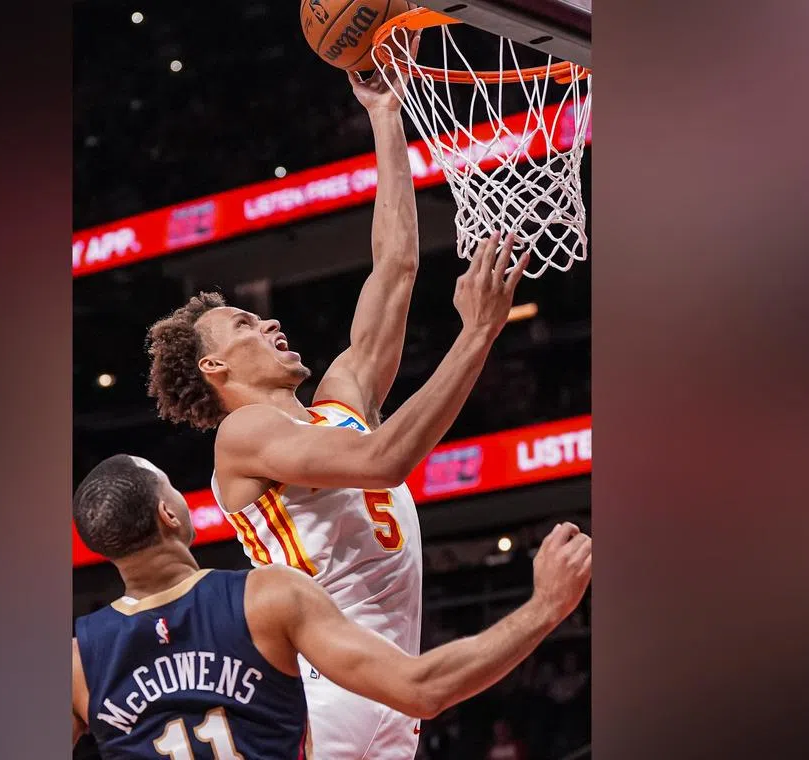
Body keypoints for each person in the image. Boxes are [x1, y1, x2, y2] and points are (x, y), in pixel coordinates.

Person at [146, 62, 533, 758]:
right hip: (322, 690)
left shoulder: (341, 398)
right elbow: (384, 464)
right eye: (242, 325)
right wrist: (477, 335)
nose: (267, 325)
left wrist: (386, 117)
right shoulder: (244, 433)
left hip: (387, 687)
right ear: (214, 369)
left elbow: (396, 266)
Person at [71, 455, 592, 759]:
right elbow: (422, 688)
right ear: (170, 513)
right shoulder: (266, 596)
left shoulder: (78, 661)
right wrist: (546, 606)